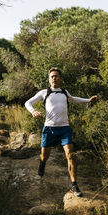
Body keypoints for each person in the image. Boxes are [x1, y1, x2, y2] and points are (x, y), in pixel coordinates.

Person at [25, 67, 98, 197]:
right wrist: (33, 111)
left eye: (56, 76)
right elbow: (28, 102)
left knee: (70, 155)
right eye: (52, 76)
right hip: (49, 129)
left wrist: (88, 100)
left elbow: (74, 99)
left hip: (64, 129)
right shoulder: (44, 93)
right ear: (49, 79)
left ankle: (74, 185)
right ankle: (42, 163)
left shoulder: (64, 92)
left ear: (60, 79)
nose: (54, 78)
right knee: (44, 155)